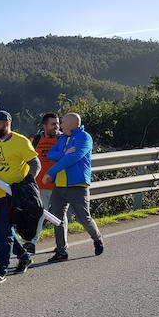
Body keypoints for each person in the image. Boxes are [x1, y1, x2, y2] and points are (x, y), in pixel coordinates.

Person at [0, 110, 37, 284]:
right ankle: (24, 256)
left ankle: (1, 269)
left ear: (7, 123)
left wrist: (27, 183)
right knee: (5, 229)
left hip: (13, 196)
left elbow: (35, 163)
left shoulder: (21, 142)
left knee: (4, 233)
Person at [42, 112, 105, 262]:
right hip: (60, 184)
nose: (60, 125)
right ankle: (61, 251)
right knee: (57, 219)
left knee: (83, 218)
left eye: (62, 122)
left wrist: (51, 172)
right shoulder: (63, 138)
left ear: (70, 124)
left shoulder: (84, 138)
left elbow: (73, 158)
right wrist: (64, 152)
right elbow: (50, 154)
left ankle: (97, 238)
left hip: (77, 185)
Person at [24, 113, 61, 254]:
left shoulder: (63, 139)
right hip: (39, 186)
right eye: (53, 124)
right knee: (39, 213)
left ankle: (61, 245)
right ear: (44, 125)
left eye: (57, 123)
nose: (56, 127)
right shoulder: (35, 140)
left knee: (59, 216)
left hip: (59, 185)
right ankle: (32, 242)